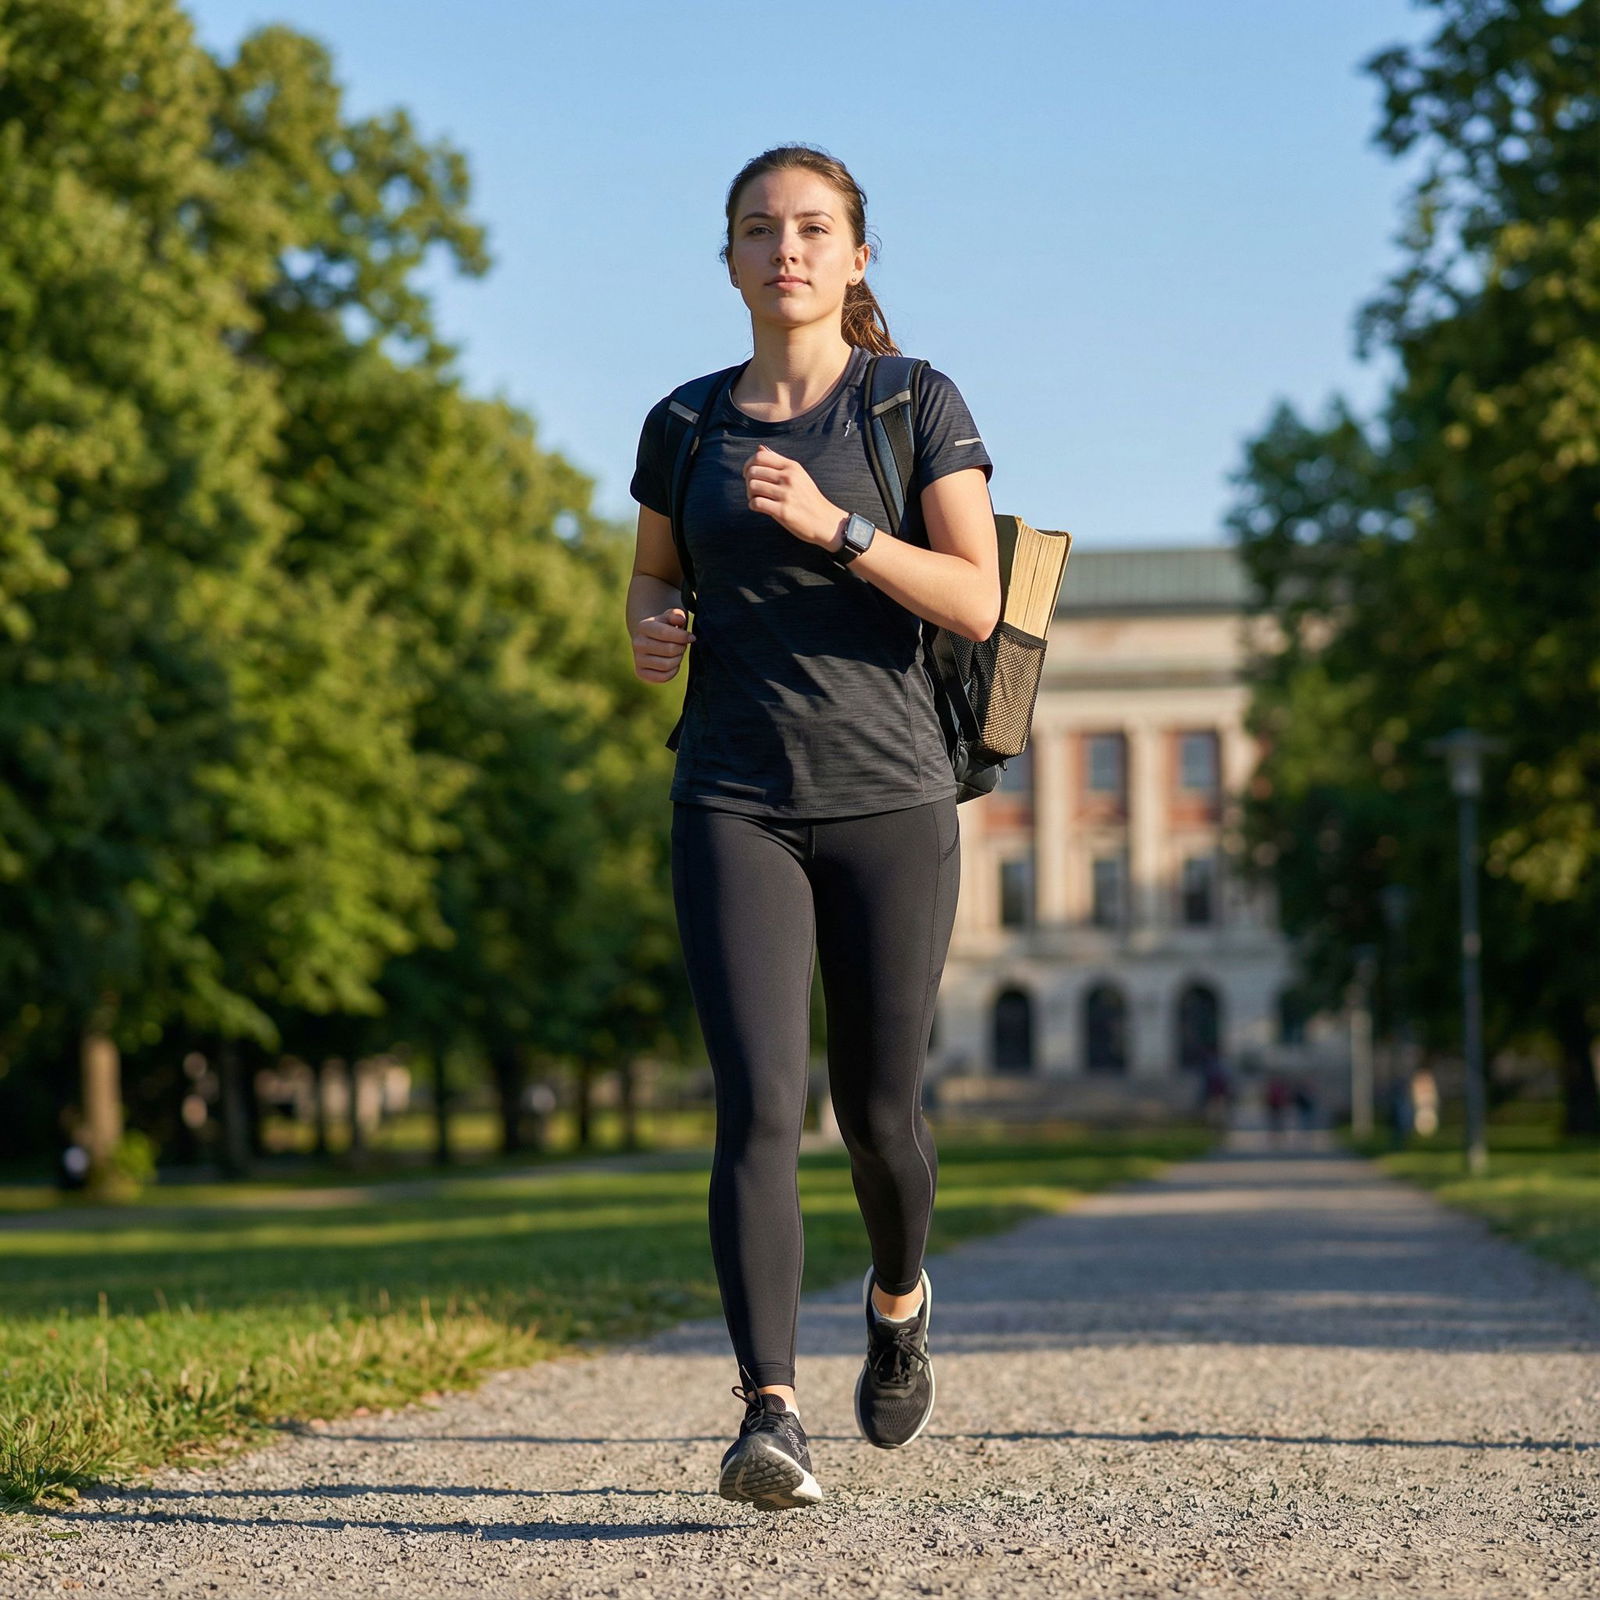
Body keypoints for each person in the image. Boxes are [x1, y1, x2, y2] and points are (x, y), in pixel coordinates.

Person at [626, 145, 998, 1511]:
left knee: (879, 1112)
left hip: (892, 795)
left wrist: (838, 527)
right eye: (759, 229)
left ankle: (898, 1300)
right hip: (734, 796)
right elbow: (650, 581)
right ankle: (769, 1413)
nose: (785, 248)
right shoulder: (682, 423)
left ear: (855, 256)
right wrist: (651, 634)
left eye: (812, 228)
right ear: (728, 258)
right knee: (759, 1107)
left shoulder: (912, 401)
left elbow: (977, 600)